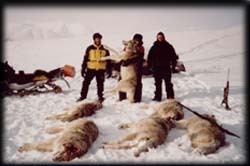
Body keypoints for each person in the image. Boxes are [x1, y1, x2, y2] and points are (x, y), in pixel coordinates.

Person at [77, 33, 111, 102]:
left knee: (100, 83)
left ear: (101, 39)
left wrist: (109, 70)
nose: (98, 40)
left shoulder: (105, 49)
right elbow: (85, 59)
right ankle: (83, 96)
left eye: (99, 38)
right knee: (86, 82)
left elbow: (108, 60)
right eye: (96, 38)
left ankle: (100, 97)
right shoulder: (89, 48)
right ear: (94, 39)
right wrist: (83, 68)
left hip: (101, 69)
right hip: (91, 68)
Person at [147, 32, 178, 101]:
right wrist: (149, 66)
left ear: (163, 37)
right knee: (157, 84)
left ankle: (170, 96)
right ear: (157, 38)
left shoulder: (168, 46)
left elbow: (173, 56)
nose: (160, 38)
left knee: (168, 83)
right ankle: (158, 97)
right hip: (157, 68)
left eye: (161, 37)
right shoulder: (154, 47)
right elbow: (150, 57)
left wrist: (173, 65)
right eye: (159, 37)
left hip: (166, 67)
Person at [119, 33, 145, 103]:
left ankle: (137, 98)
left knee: (138, 82)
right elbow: (124, 54)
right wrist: (122, 61)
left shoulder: (141, 48)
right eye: (135, 39)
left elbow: (139, 57)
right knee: (121, 80)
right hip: (127, 68)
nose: (136, 41)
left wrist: (129, 61)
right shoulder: (128, 45)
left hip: (137, 67)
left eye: (138, 40)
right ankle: (122, 96)